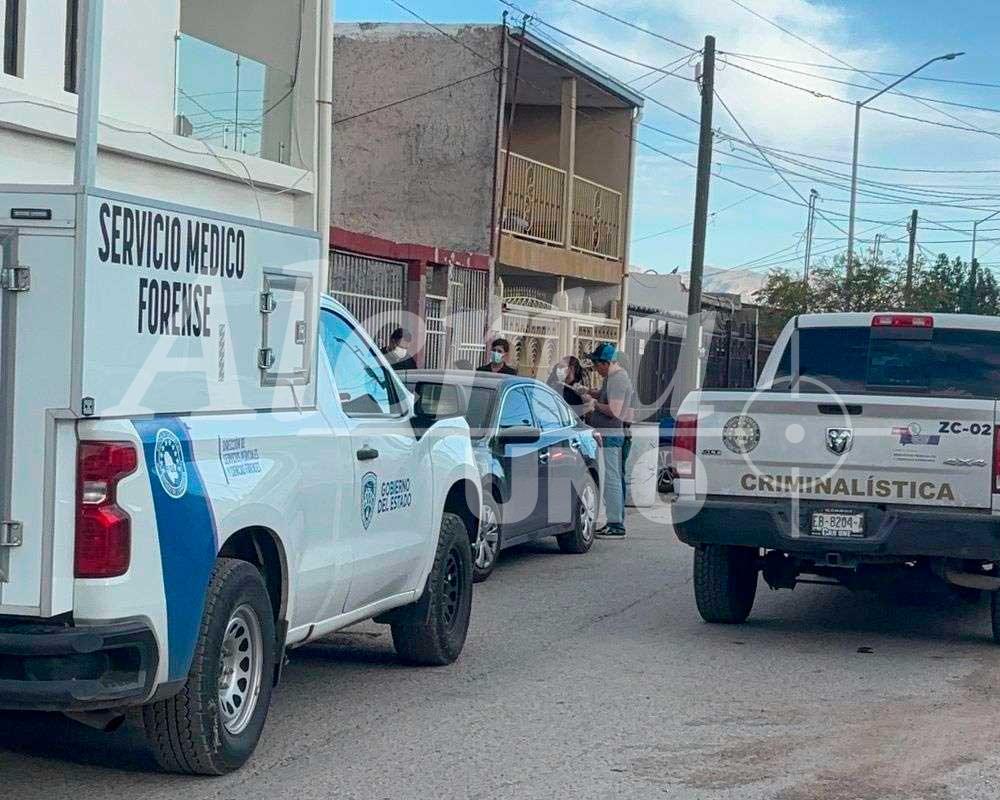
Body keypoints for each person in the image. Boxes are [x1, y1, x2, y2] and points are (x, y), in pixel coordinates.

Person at [586, 343, 633, 538]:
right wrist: (591, 392)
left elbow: (614, 410)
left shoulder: (618, 379)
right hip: (608, 435)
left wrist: (594, 404)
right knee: (614, 478)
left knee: (612, 479)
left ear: (606, 363)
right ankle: (615, 521)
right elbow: (606, 396)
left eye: (597, 364)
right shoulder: (611, 378)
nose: (595, 369)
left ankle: (615, 524)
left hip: (611, 436)